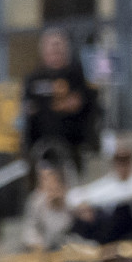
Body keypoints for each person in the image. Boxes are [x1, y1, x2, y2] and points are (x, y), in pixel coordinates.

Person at [21, 28, 96, 173]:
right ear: (43, 51)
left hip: (74, 148)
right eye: (51, 46)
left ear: (67, 49)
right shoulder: (34, 79)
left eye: (59, 45)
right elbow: (28, 113)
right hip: (42, 148)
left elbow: (90, 108)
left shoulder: (79, 76)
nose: (55, 49)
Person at [69, 144, 132, 245]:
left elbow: (123, 196)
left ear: (131, 161)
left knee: (121, 209)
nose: (122, 164)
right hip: (111, 229)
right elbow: (74, 195)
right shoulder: (111, 180)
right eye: (119, 161)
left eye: (125, 160)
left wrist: (89, 202)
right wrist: (84, 206)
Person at [22, 164, 75, 252]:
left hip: (66, 247)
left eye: (50, 178)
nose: (48, 183)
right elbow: (30, 230)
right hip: (42, 248)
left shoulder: (71, 202)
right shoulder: (36, 201)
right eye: (43, 179)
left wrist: (59, 205)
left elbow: (69, 229)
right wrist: (38, 245)